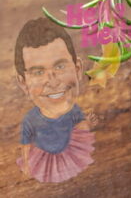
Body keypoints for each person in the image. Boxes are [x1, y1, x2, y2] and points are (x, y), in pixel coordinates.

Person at [14, 17, 96, 183]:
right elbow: (25, 143)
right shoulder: (31, 119)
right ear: (23, 83)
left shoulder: (74, 110)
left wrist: (88, 123)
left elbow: (81, 127)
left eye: (60, 66)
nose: (52, 81)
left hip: (69, 154)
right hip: (43, 159)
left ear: (78, 69)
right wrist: (27, 167)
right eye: (38, 72)